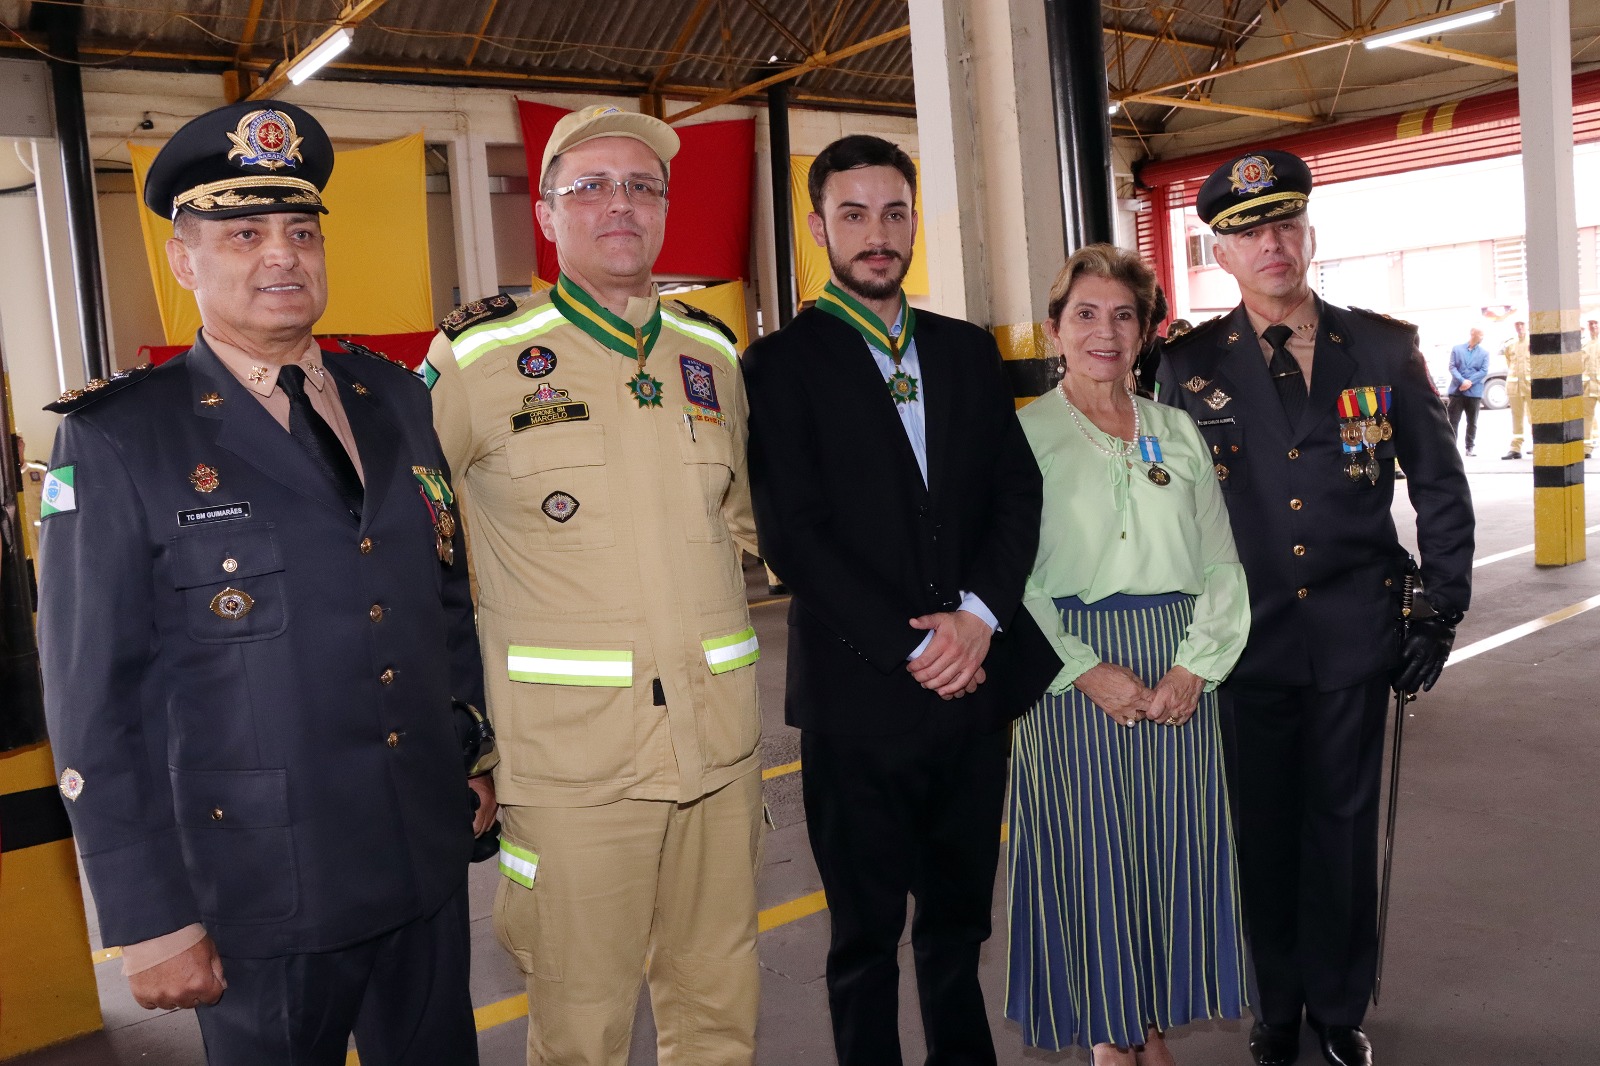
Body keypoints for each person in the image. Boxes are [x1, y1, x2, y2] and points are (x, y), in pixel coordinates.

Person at [37, 100, 491, 1064]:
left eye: (299, 231)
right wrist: (148, 915)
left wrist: (470, 750)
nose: (281, 256)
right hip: (257, 888)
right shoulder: (122, 436)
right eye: (243, 233)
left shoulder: (393, 395)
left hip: (420, 856)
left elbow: (439, 596)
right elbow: (91, 696)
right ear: (184, 262)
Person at [423, 105, 763, 1066]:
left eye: (643, 186)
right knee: (581, 1027)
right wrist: (459, 735)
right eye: (593, 186)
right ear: (546, 213)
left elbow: (755, 523)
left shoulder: (714, 353)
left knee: (719, 1012)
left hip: (721, 749)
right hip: (573, 772)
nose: (622, 203)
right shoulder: (479, 358)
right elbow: (413, 554)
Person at [1156, 149, 1473, 1066]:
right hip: (1242, 641)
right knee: (1261, 834)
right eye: (1249, 232)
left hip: (1352, 636)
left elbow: (1441, 490)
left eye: (1285, 225)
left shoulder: (1379, 347)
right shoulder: (1186, 365)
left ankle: (1338, 1010)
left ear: (1310, 236)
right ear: (1221, 254)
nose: (1271, 245)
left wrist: (1439, 609)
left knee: (1341, 828)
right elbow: (1173, 507)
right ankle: (1276, 1005)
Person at [743, 134, 1043, 1066]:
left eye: (895, 213)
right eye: (854, 214)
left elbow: (1015, 494)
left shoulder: (962, 350)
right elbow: (795, 534)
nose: (879, 235)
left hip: (974, 693)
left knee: (959, 926)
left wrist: (980, 619)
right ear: (818, 227)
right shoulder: (781, 365)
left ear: (916, 221)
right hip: (861, 703)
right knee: (865, 939)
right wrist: (915, 646)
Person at [1007, 244, 1251, 1066]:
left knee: (1169, 851)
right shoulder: (1023, 435)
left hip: (1180, 660)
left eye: (1123, 315)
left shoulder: (1177, 430)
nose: (1104, 332)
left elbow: (1220, 562)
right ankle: (1112, 1036)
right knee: (1092, 852)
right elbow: (1007, 579)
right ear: (1054, 329)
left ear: (1147, 332)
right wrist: (1083, 669)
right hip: (1069, 664)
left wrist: (1196, 666)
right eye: (1085, 314)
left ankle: (1148, 1022)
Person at [1447, 326, 1489, 456]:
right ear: (1472, 333)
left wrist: (1469, 382)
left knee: (1472, 421)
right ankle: (1451, 448)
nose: (1482, 338)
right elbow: (1452, 367)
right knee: (1453, 421)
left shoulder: (1484, 353)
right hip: (1457, 391)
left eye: (1483, 335)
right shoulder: (1457, 349)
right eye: (1480, 334)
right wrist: (1462, 381)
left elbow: (1484, 371)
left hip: (1474, 392)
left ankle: (1469, 447)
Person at [1502, 319, 1530, 459]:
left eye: (1522, 324)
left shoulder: (1533, 341)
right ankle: (1515, 448)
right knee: (1516, 417)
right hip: (1515, 385)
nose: (1519, 327)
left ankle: (1538, 445)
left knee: (1534, 417)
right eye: (1516, 324)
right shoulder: (1510, 344)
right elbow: (1509, 362)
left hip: (1530, 385)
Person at [1583, 318, 1600, 458]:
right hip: (1587, 387)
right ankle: (1586, 448)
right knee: (1586, 418)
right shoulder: (1584, 345)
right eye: (1591, 324)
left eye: (1596, 323)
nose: (1593, 326)